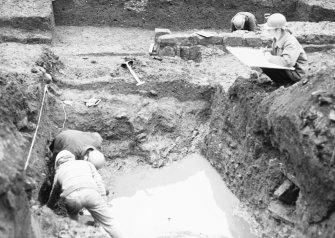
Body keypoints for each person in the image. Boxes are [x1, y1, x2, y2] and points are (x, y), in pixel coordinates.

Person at [47, 150, 122, 238]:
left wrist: (48, 208)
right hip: (91, 193)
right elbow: (100, 184)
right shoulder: (86, 164)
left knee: (74, 225)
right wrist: (103, 203)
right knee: (110, 224)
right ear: (72, 158)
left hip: (71, 197)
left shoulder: (59, 172)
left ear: (57, 163)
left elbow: (54, 194)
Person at [261, 13, 308, 85]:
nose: (268, 31)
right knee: (265, 64)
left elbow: (288, 62)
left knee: (267, 67)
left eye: (269, 30)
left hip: (296, 74)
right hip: (289, 69)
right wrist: (267, 52)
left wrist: (269, 58)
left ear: (278, 30)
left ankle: (285, 84)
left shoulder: (290, 41)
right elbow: (278, 52)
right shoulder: (277, 38)